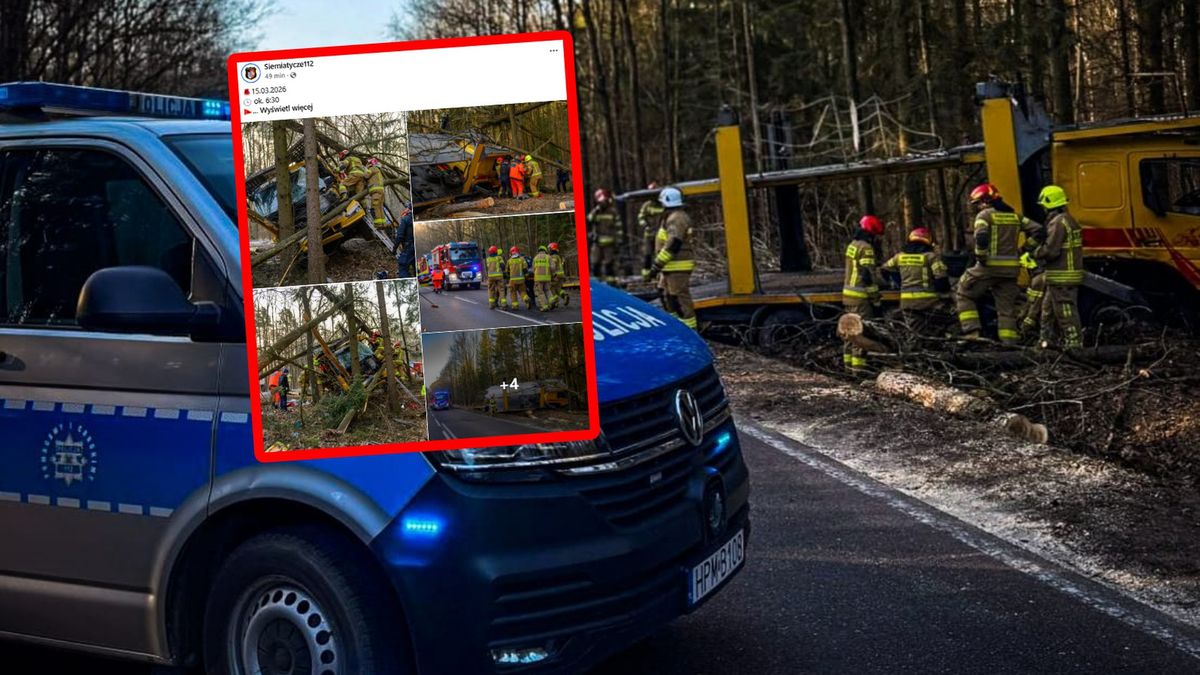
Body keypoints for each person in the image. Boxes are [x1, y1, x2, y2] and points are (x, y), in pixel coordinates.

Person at [955, 183, 1044, 344]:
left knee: (963, 292)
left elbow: (981, 237)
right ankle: (1009, 343)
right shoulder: (1015, 216)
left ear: (985, 201)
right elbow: (1040, 231)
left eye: (978, 204)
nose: (978, 208)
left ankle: (972, 333)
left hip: (988, 267)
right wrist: (1024, 249)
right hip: (1011, 270)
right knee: (1006, 309)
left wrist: (981, 257)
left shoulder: (984, 216)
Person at [1031, 185, 1084, 349]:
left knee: (1065, 311)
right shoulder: (1068, 219)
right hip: (1060, 275)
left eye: (1043, 205)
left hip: (1063, 275)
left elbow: (1051, 250)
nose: (1043, 208)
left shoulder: (1058, 223)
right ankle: (1046, 344)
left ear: (1049, 203)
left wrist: (1035, 253)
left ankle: (1074, 345)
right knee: (1048, 310)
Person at [881, 227, 951, 337]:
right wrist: (944, 291)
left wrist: (898, 283)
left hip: (907, 302)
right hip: (930, 302)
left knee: (915, 332)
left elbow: (885, 269)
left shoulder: (899, 257)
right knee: (950, 319)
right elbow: (941, 278)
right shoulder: (930, 257)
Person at [648, 187, 697, 329]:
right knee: (666, 296)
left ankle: (690, 331)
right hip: (669, 266)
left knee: (679, 300)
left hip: (677, 265)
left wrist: (657, 265)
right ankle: (675, 327)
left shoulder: (677, 218)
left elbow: (673, 244)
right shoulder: (672, 217)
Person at [842, 215, 884, 372]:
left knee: (849, 333)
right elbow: (867, 276)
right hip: (861, 298)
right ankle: (860, 372)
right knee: (861, 335)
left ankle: (848, 368)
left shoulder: (852, 245)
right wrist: (876, 300)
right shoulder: (866, 248)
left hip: (848, 296)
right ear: (871, 233)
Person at [587, 188, 622, 283]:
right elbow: (589, 219)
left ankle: (611, 284)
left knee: (609, 265)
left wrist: (618, 241)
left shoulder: (613, 212)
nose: (603, 203)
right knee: (595, 264)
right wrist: (596, 210)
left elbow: (618, 227)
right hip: (597, 243)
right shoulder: (596, 212)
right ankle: (597, 285)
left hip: (609, 244)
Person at [639, 182, 666, 281]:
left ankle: (660, 277)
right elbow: (641, 217)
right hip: (649, 234)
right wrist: (645, 225)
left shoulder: (663, 204)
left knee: (660, 255)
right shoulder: (646, 205)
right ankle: (646, 277)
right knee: (647, 255)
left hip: (660, 235)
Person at [392, 203, 415, 278]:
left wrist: (394, 249)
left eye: (407, 207)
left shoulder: (405, 219)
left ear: (409, 209)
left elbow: (400, 236)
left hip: (409, 247)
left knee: (403, 267)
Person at [485, 245, 507, 309]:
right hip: (499, 276)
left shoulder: (488, 259)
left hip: (491, 277)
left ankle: (492, 305)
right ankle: (503, 305)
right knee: (501, 290)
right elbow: (503, 266)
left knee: (491, 290)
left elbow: (488, 267)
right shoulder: (499, 258)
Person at [548, 241, 569, 307]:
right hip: (561, 275)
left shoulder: (553, 257)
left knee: (551, 288)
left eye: (549, 249)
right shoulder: (558, 256)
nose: (549, 250)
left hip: (556, 275)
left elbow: (553, 265)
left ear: (552, 249)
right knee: (558, 289)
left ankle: (556, 301)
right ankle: (564, 295)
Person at [532, 245, 553, 310]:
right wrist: (552, 274)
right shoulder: (548, 257)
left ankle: (544, 306)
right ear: (545, 251)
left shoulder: (535, 258)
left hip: (538, 278)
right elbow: (552, 267)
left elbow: (533, 269)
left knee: (540, 292)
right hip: (547, 278)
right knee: (547, 290)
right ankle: (552, 301)